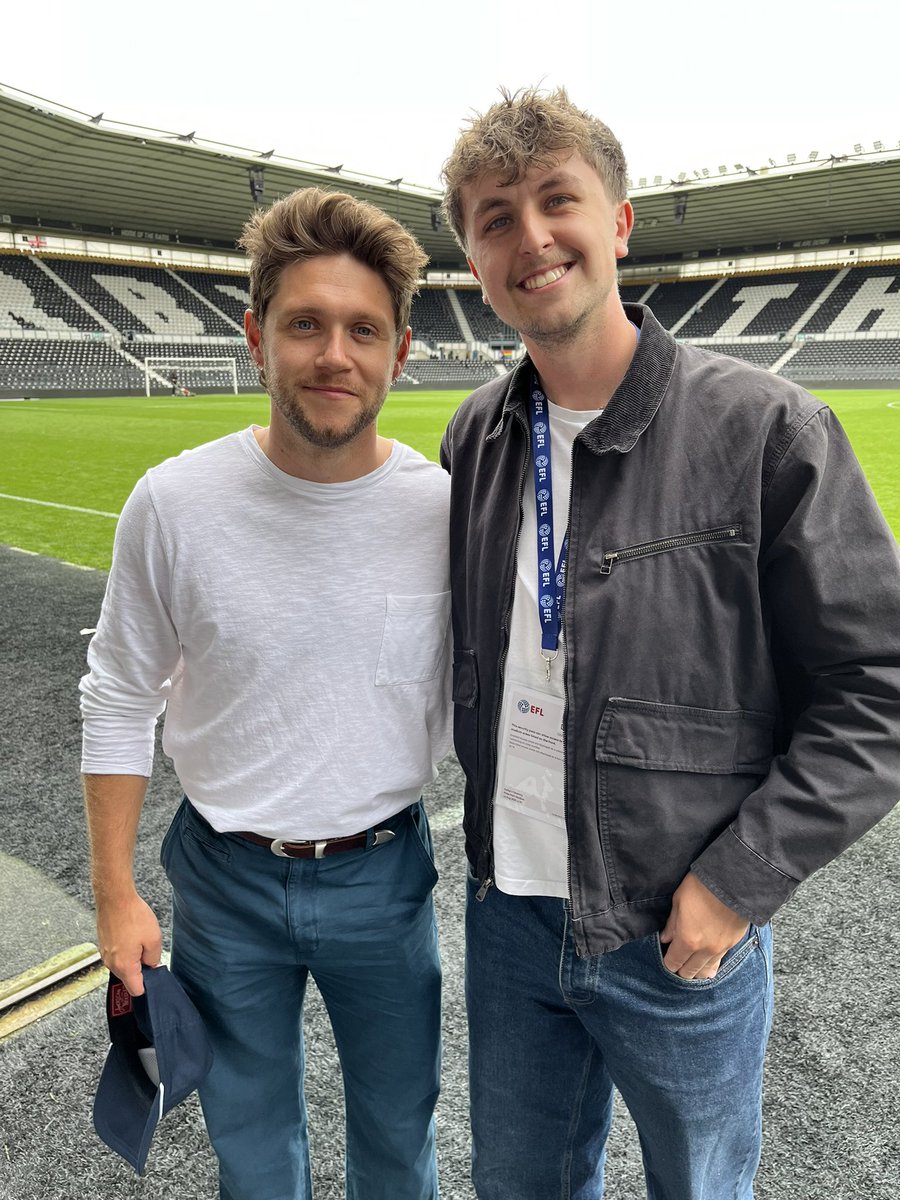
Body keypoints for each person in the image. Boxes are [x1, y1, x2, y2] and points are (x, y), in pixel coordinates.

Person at [439, 87, 900, 1200]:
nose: (531, 238)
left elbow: (877, 690)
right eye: (495, 217)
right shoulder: (477, 436)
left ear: (621, 222)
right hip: (512, 924)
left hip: (675, 928)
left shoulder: (768, 429)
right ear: (470, 252)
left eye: (558, 201)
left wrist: (737, 882)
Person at [81, 186, 450, 1200]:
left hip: (382, 876)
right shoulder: (174, 503)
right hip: (225, 883)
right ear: (257, 336)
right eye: (306, 324)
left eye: (363, 330)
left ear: (399, 354)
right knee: (251, 1144)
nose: (336, 354)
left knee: (397, 1130)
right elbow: (118, 692)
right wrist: (116, 896)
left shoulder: (441, 512)